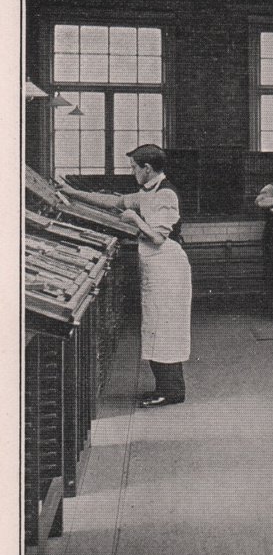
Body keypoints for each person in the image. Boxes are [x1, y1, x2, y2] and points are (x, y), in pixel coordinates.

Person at [58, 145, 193, 408]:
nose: (132, 173)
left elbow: (156, 236)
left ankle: (172, 391)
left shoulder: (166, 194)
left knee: (165, 329)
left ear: (148, 169)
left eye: (134, 168)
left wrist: (134, 219)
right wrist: (73, 193)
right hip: (157, 266)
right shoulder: (150, 190)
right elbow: (116, 201)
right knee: (158, 328)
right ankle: (166, 388)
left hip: (168, 267)